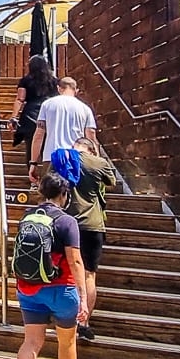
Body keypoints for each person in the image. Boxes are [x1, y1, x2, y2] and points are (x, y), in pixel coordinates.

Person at [10, 171, 85, 359]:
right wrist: (83, 298)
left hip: (29, 289)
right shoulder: (67, 221)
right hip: (61, 290)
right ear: (64, 195)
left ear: (41, 192)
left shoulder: (27, 216)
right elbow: (75, 260)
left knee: (31, 341)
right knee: (67, 342)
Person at [63, 136, 118, 341]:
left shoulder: (61, 158)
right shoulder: (99, 163)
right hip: (93, 224)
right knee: (88, 275)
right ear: (91, 150)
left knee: (65, 269)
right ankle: (83, 322)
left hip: (66, 222)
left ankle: (63, 318)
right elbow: (111, 182)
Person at [33, 76, 97, 180]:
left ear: (59, 88)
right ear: (76, 90)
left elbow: (39, 135)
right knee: (75, 192)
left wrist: (33, 162)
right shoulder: (85, 109)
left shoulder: (47, 105)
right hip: (77, 157)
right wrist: (96, 160)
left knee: (51, 193)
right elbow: (91, 136)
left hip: (51, 156)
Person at [8, 55, 56, 155]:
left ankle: (31, 167)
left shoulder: (25, 81)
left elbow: (20, 99)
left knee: (30, 146)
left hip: (30, 115)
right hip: (50, 114)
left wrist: (13, 117)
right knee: (50, 146)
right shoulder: (54, 81)